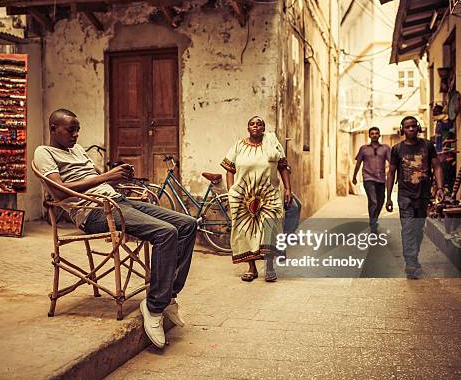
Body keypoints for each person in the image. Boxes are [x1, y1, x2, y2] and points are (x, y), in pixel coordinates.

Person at [34, 109, 196, 349]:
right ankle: (154, 306)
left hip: (117, 201)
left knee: (187, 224)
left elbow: (96, 179)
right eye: (71, 129)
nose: (76, 134)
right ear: (53, 127)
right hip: (93, 212)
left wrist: (115, 177)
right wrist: (105, 177)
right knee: (166, 232)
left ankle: (168, 295)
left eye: (78, 129)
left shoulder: (77, 151)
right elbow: (59, 191)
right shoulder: (43, 152)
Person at [221, 116, 291, 282]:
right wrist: (231, 190)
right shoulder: (239, 146)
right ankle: (251, 268)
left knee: (270, 228)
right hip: (244, 197)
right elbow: (229, 169)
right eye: (252, 124)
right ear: (248, 128)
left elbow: (282, 167)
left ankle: (269, 266)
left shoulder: (273, 144)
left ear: (264, 128)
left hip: (269, 195)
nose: (256, 126)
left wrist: (288, 188)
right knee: (246, 230)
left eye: (259, 124)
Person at [386, 116, 444, 279]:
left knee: (418, 229)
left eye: (413, 126)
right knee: (408, 228)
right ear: (402, 129)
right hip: (405, 195)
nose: (411, 129)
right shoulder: (397, 149)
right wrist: (388, 197)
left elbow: (437, 166)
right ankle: (410, 263)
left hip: (423, 195)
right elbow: (391, 172)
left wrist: (440, 187)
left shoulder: (427, 145)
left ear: (418, 128)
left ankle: (414, 257)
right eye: (407, 127)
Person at [352, 127, 391, 234]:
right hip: (368, 178)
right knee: (373, 201)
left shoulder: (385, 148)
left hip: (381, 179)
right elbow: (358, 163)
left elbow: (391, 162)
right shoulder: (363, 149)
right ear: (369, 136)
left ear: (379, 135)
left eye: (376, 133)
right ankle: (373, 223)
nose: (374, 135)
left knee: (380, 201)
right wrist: (354, 176)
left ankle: (374, 219)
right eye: (372, 133)